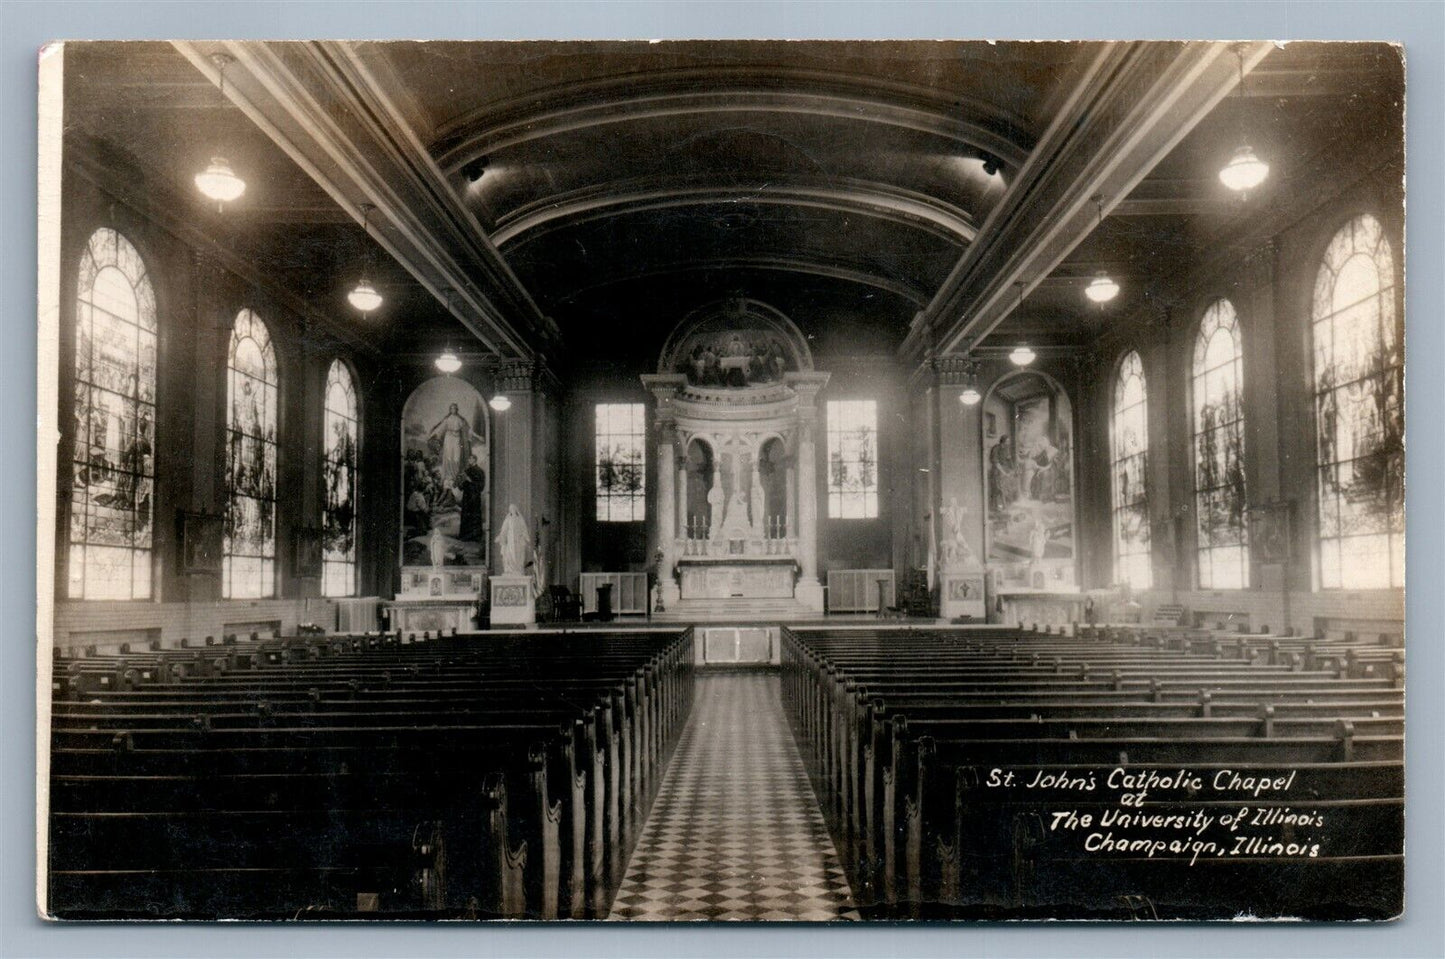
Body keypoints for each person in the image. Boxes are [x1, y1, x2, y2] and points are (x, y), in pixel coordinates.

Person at [429, 402, 473, 488]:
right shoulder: (447, 419)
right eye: (452, 408)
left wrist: (476, 437)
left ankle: (455, 476)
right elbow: (440, 429)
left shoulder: (460, 420)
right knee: (448, 457)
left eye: (455, 408)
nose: (454, 410)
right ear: (450, 410)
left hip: (456, 439)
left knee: (456, 458)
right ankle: (448, 476)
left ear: (457, 410)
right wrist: (432, 435)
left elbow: (468, 430)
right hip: (448, 439)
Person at [495, 504, 532, 576]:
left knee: (518, 554)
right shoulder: (508, 519)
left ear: (516, 510)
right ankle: (510, 569)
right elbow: (504, 530)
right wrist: (500, 537)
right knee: (509, 554)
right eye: (511, 509)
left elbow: (524, 529)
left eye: (513, 509)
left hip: (518, 540)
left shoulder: (520, 519)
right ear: (510, 511)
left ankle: (517, 569)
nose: (512, 510)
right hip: (510, 540)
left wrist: (526, 537)